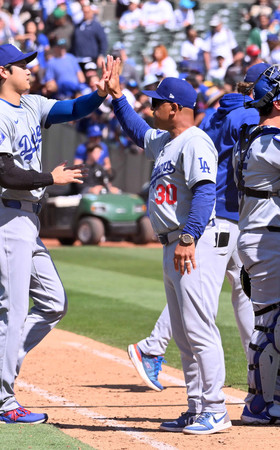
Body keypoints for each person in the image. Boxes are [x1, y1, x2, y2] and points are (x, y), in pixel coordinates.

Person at [0, 43, 113, 424]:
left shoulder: (31, 104)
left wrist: (99, 93)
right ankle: (2, 404)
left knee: (53, 302)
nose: (30, 70)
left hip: (25, 223)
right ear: (4, 72)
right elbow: (5, 173)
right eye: (22, 65)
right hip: (4, 218)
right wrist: (51, 177)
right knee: (12, 312)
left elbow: (72, 109)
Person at [106, 61, 232, 434]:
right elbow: (137, 130)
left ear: (174, 108)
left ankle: (216, 409)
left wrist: (190, 238)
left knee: (199, 329)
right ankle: (196, 407)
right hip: (173, 243)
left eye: (156, 103)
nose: (151, 107)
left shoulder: (194, 141)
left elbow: (205, 191)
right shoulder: (168, 140)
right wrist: (117, 98)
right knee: (182, 333)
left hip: (193, 242)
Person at [127, 63, 267, 397]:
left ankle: (250, 385)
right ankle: (161, 353)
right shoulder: (243, 117)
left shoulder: (222, 113)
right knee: (206, 306)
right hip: (220, 217)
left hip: (216, 217)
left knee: (227, 298)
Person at [233, 63, 280, 425]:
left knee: (269, 321)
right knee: (271, 323)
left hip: (257, 234)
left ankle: (263, 398)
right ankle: (263, 405)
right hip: (267, 238)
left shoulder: (251, 135)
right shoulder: (272, 142)